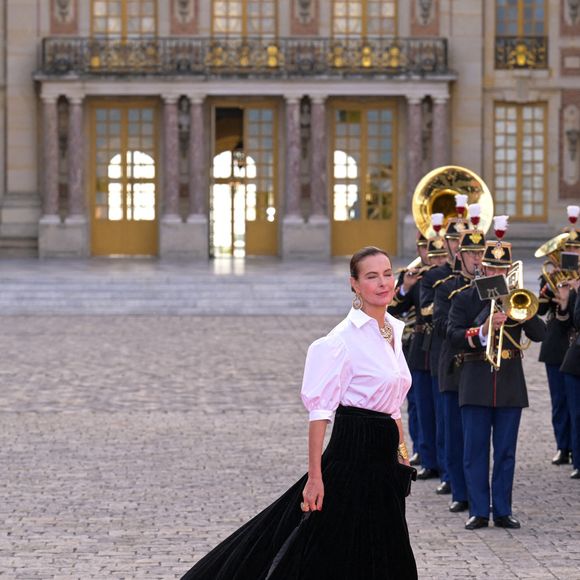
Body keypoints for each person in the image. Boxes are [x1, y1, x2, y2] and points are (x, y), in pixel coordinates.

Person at [181, 246, 418, 580]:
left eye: (387, 273)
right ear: (354, 284)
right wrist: (315, 476)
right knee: (328, 547)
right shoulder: (340, 341)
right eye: (371, 276)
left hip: (385, 460)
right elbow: (320, 413)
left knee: (388, 548)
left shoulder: (393, 331)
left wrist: (402, 454)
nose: (383, 283)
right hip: (352, 452)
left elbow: (393, 405)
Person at [448, 232, 546, 530]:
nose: (496, 274)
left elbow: (540, 334)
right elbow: (452, 335)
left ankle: (502, 509)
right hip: (476, 379)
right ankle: (478, 510)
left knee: (505, 451)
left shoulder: (517, 298)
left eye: (501, 270)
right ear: (482, 269)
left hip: (509, 382)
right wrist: (484, 326)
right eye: (491, 269)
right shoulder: (464, 298)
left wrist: (521, 312)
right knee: (474, 450)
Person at [434, 228, 485, 513]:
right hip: (455, 364)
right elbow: (441, 326)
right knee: (454, 431)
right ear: (460, 255)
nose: (477, 259)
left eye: (480, 253)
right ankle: (459, 490)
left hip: (483, 368)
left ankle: (477, 490)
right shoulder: (446, 287)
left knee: (475, 436)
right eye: (472, 254)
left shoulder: (494, 285)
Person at [557, 224, 580, 479]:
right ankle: (575, 457)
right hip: (573, 357)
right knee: (573, 411)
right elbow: (575, 319)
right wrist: (567, 299)